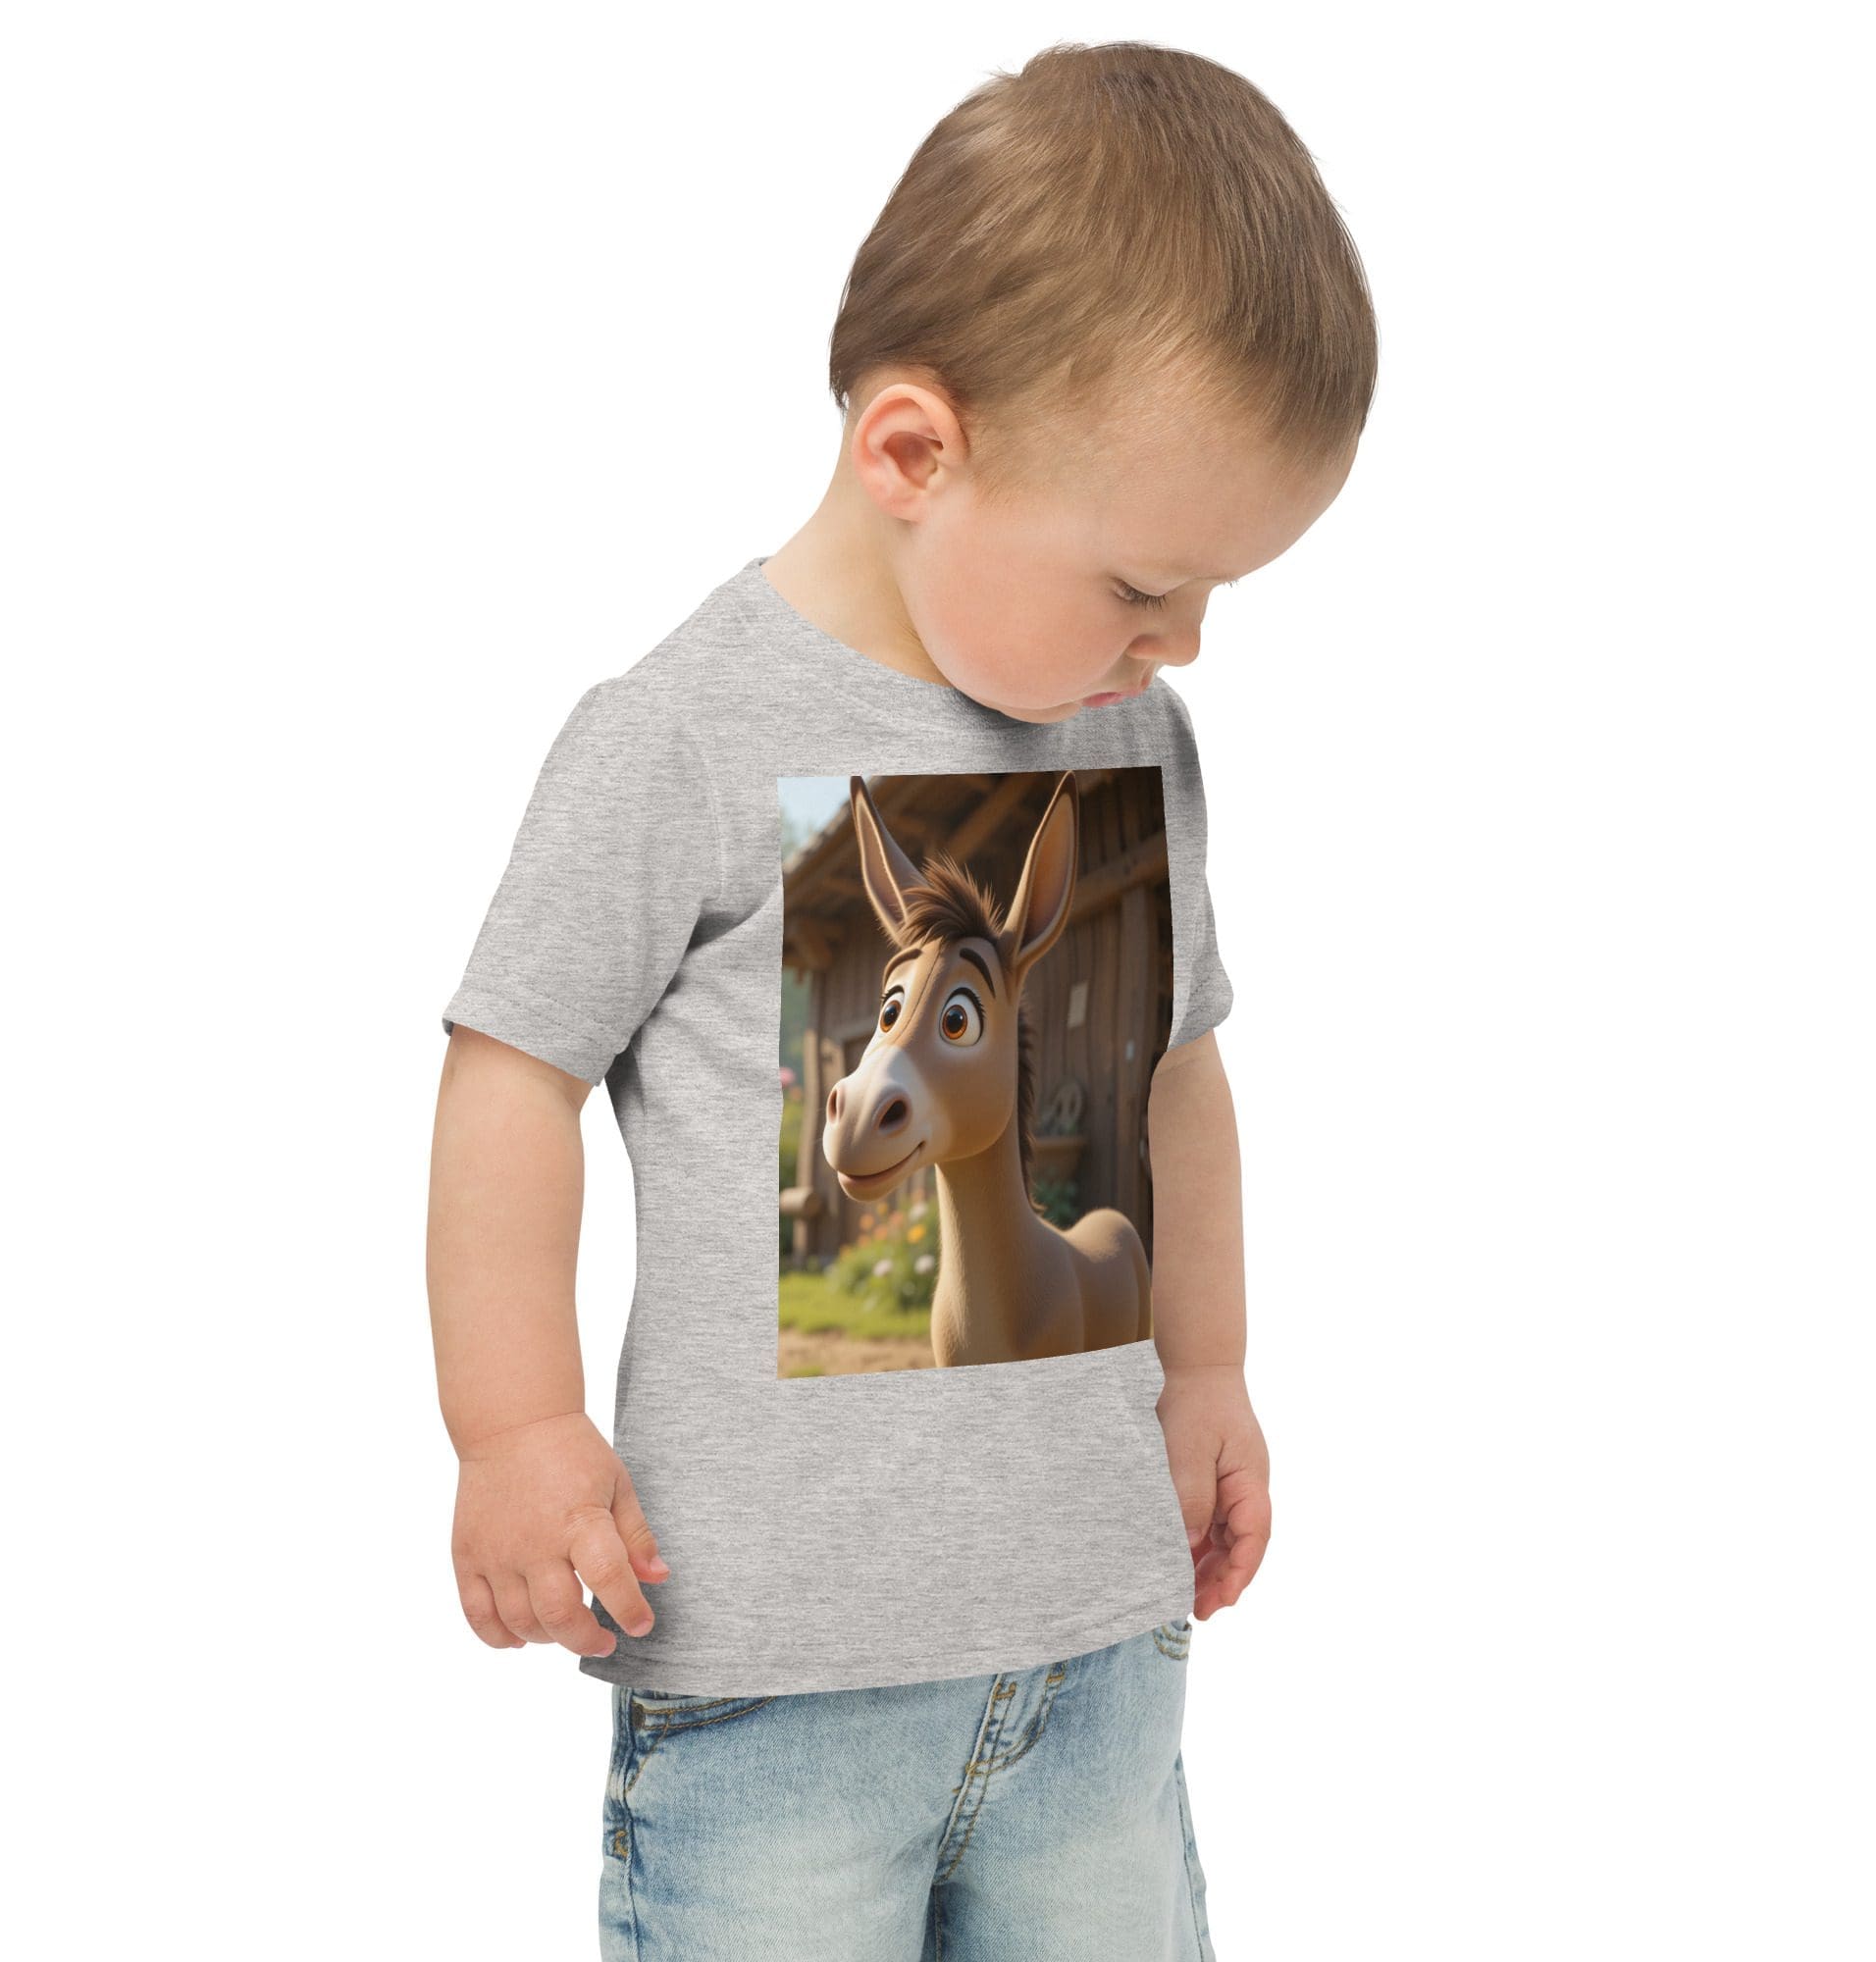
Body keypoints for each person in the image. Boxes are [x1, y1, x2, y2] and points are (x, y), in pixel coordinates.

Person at [427, 38, 1373, 1960]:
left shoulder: (1129, 733)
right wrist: (514, 1429)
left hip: (1097, 1658)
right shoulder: (679, 736)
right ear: (915, 454)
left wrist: (1207, 1368)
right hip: (777, 1684)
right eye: (1143, 583)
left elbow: (1177, 1071)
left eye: (1213, 597)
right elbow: (512, 1069)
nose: (1183, 643)